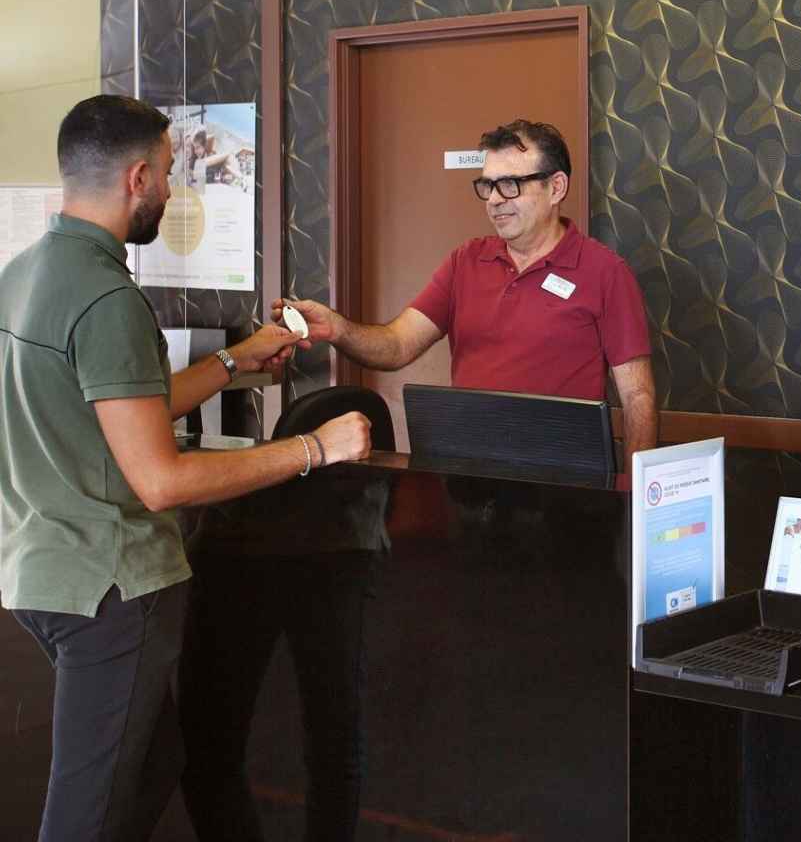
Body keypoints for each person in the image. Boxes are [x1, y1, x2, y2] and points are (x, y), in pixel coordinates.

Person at [0, 95, 373, 842]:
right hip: (112, 588)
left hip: (39, 574)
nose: (172, 191)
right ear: (137, 178)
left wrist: (237, 360)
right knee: (85, 815)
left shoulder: (24, 273)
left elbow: (128, 403)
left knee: (157, 763)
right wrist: (315, 448)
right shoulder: (107, 297)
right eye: (170, 174)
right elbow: (162, 480)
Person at [277, 120, 657, 456]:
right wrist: (338, 329)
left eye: (509, 185)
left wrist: (635, 494)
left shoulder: (606, 272)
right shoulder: (466, 261)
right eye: (487, 185)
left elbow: (637, 395)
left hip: (566, 487)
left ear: (556, 187)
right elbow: (397, 344)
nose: (494, 200)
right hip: (468, 479)